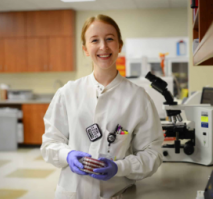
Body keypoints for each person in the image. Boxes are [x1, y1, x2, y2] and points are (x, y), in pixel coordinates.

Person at [41, 14, 164, 199]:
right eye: (94, 40)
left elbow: (152, 153)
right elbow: (50, 143)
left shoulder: (138, 98)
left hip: (117, 193)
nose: (103, 47)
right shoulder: (68, 93)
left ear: (119, 45)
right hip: (72, 193)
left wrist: (120, 167)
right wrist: (68, 155)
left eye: (109, 39)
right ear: (85, 49)